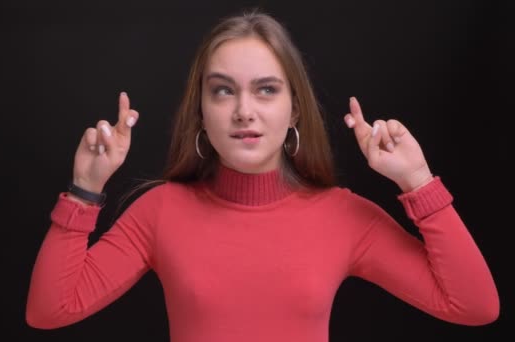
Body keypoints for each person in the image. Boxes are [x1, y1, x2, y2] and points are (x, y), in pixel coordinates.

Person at [25, 10, 499, 342]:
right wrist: (84, 190)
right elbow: (50, 310)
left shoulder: (344, 215)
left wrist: (419, 181)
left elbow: (475, 306)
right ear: (202, 111)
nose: (243, 111)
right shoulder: (160, 211)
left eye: (266, 90)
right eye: (223, 91)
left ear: (294, 108)